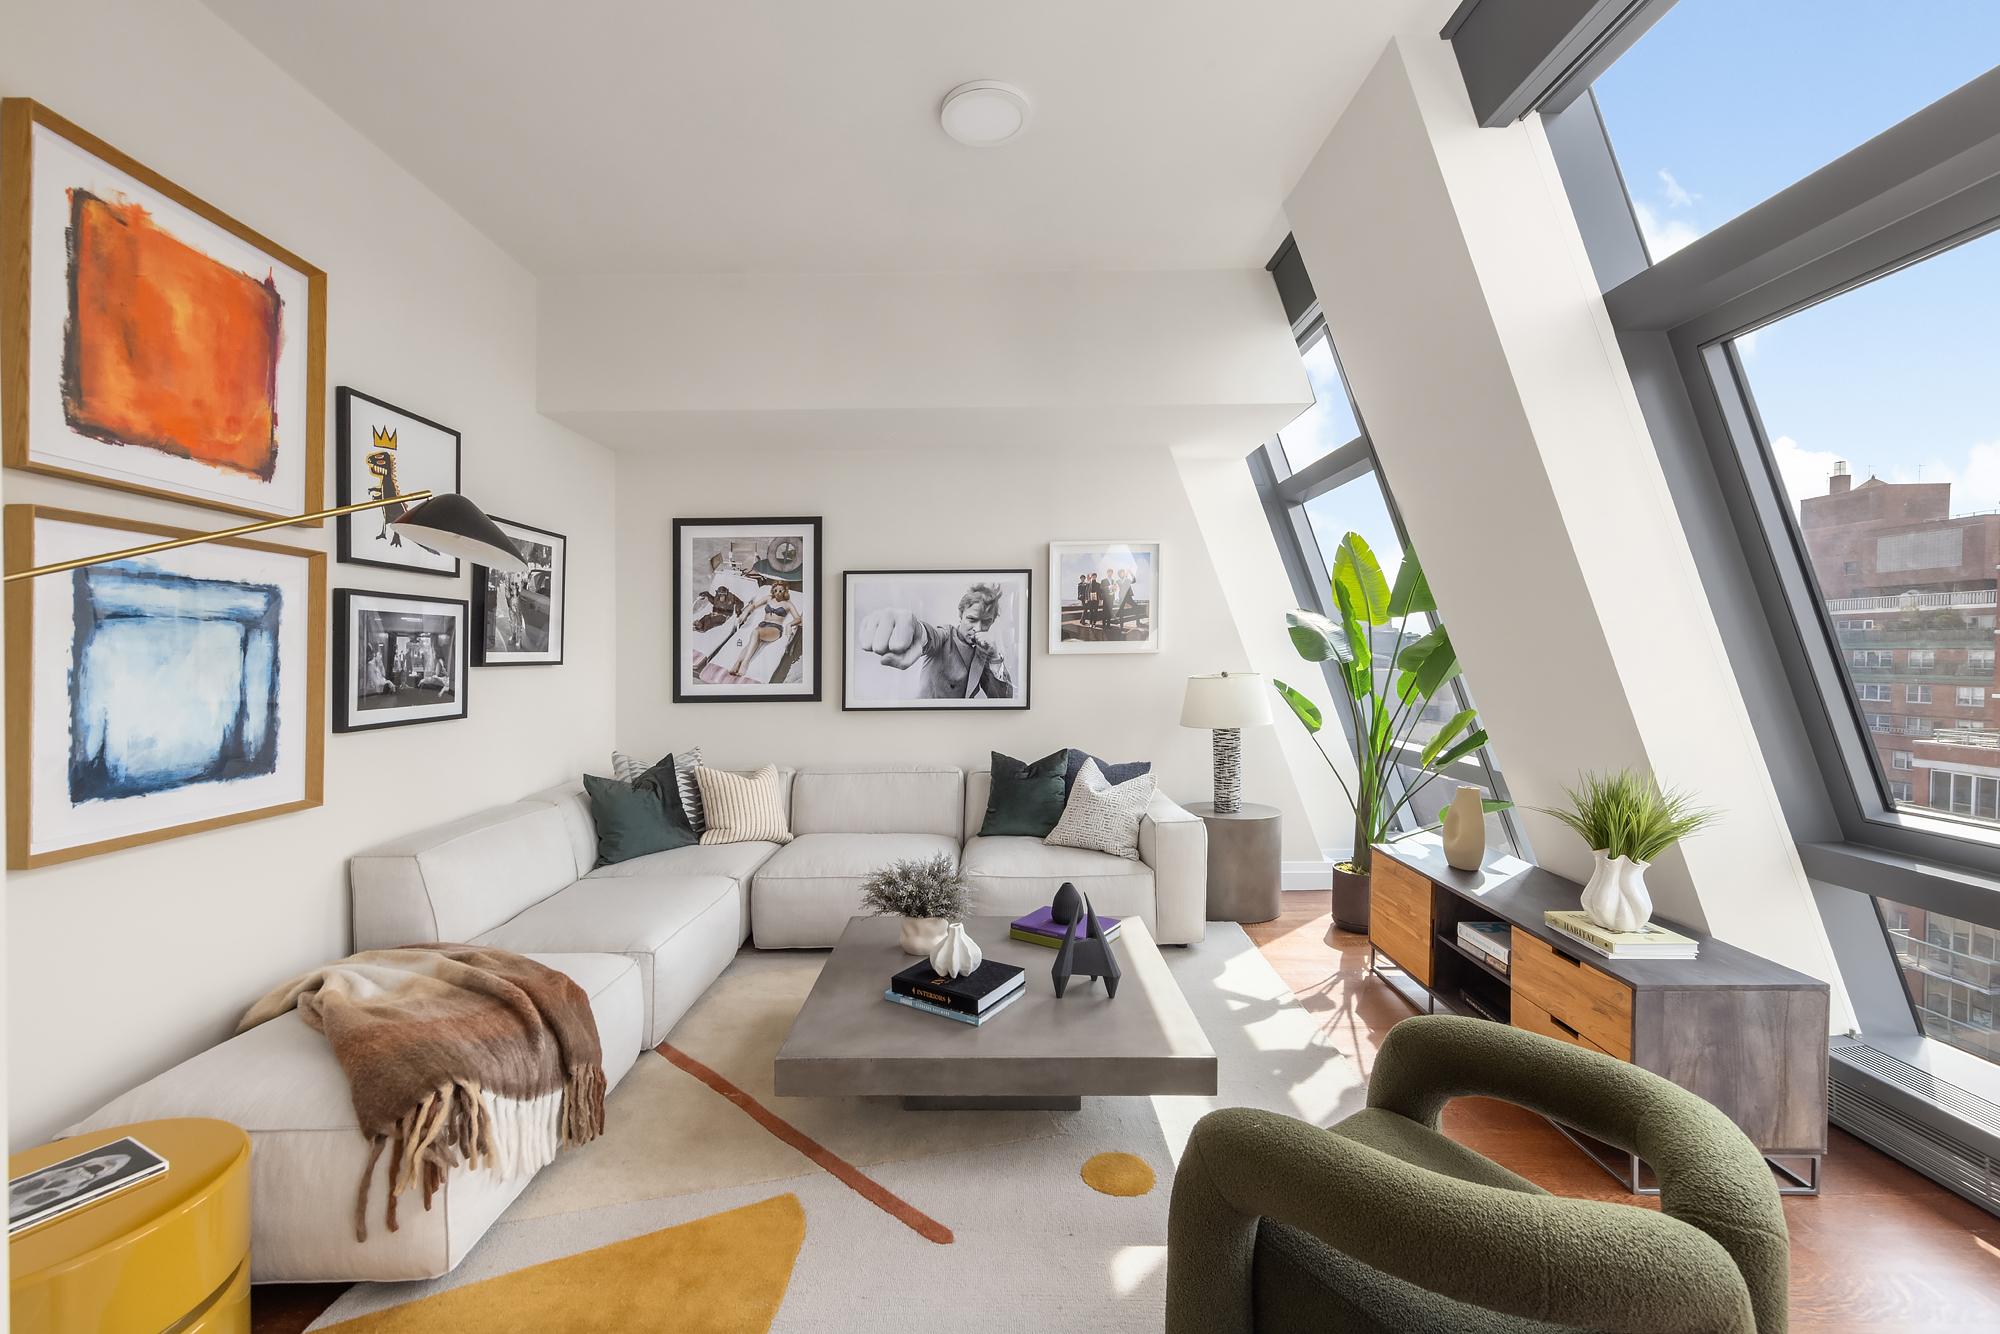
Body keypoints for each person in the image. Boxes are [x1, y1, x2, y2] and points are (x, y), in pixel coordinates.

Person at [856, 583, 1016, 698]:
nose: (978, 628)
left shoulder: (984, 653)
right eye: (972, 619)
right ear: (961, 615)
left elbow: (1003, 699)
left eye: (986, 621)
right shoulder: (946, 634)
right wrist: (916, 629)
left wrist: (995, 657)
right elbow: (931, 636)